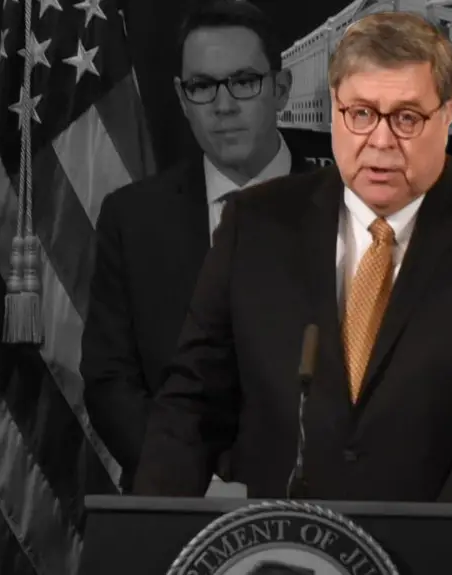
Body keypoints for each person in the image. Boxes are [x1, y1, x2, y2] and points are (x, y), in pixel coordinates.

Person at [131, 10, 452, 508]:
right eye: (360, 113)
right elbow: (192, 402)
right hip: (287, 539)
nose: (380, 142)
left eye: (406, 117)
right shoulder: (255, 224)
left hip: (447, 538)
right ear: (334, 109)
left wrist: (435, 532)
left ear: (447, 114)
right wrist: (151, 528)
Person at [81, 0, 315, 493]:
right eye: (203, 86)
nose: (223, 106)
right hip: (174, 503)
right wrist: (188, 484)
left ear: (281, 89)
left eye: (244, 81)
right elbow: (110, 381)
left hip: (313, 504)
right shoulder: (132, 219)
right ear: (181, 98)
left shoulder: (347, 210)